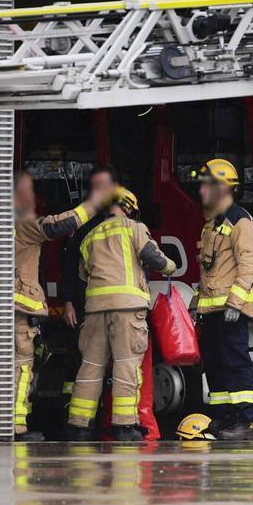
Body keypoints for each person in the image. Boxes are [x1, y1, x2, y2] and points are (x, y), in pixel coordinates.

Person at [67, 186, 176, 442]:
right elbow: (154, 258)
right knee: (127, 365)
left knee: (91, 367)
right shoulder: (134, 228)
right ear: (129, 207)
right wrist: (171, 266)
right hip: (127, 310)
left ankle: (79, 426)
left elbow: (83, 275)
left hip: (94, 310)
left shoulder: (90, 236)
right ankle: (124, 426)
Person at [13, 170, 112, 441]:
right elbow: (60, 225)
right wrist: (94, 203)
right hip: (19, 311)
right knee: (21, 368)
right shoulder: (23, 224)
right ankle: (14, 428)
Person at [192, 158, 253, 440]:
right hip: (211, 311)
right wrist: (196, 305)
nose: (202, 191)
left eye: (207, 185)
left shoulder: (240, 221)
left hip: (230, 310)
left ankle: (244, 420)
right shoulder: (211, 225)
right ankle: (223, 418)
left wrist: (234, 303)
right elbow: (208, 273)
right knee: (215, 364)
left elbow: (248, 265)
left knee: (235, 362)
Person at [59, 164, 118, 425]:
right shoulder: (83, 226)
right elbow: (69, 266)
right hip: (85, 305)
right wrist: (69, 302)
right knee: (79, 361)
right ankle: (76, 417)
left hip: (112, 307)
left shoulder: (127, 225)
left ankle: (102, 416)